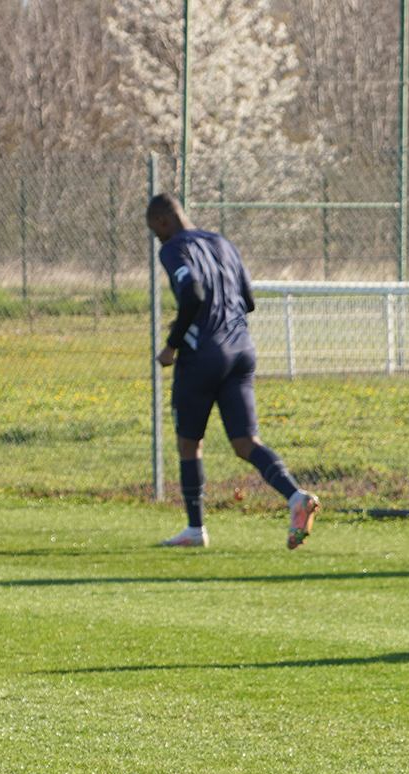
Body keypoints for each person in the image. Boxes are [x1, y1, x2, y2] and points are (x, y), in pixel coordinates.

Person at [146, 194, 319, 549]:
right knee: (245, 442)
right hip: (242, 349)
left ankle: (195, 530)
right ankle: (295, 496)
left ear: (163, 221)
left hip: (204, 354)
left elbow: (192, 293)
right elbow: (249, 299)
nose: (157, 240)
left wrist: (172, 345)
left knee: (189, 444)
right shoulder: (222, 242)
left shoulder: (174, 248)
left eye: (155, 232)